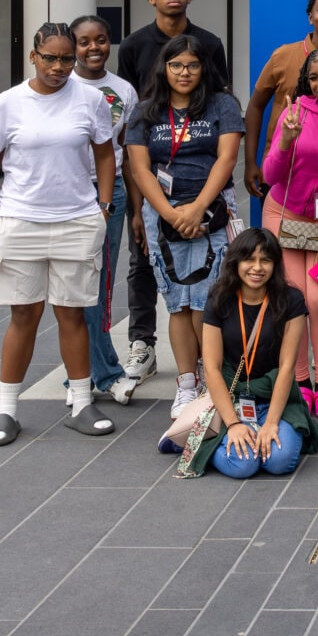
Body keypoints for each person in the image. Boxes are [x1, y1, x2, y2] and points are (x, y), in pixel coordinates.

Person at [0, 22, 118, 447]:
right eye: (50, 57)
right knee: (23, 315)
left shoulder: (91, 100)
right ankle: (6, 411)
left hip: (77, 220)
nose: (59, 66)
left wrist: (103, 207)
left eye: (67, 59)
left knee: (73, 314)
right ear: (33, 56)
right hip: (20, 221)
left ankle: (80, 403)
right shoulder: (7, 103)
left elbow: (106, 154)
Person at [116, 0, 232, 393]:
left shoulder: (210, 46)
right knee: (143, 264)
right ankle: (142, 345)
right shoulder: (133, 47)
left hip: (207, 200)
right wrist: (154, 208)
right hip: (156, 193)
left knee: (207, 290)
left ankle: (210, 374)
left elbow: (224, 140)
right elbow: (135, 141)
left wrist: (198, 207)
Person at [125, 34, 244, 414]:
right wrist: (171, 213)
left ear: (203, 68)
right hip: (164, 213)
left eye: (192, 65)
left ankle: (214, 380)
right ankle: (187, 384)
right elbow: (140, 169)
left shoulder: (223, 104)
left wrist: (196, 209)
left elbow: (226, 160)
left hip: (213, 208)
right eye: (176, 65)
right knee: (178, 304)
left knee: (209, 300)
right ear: (164, 68)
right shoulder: (146, 110)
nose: (184, 72)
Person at [259, 44, 318, 419]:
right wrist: (285, 139)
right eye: (313, 77)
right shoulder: (296, 109)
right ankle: (301, 382)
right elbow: (270, 175)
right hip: (284, 214)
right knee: (294, 298)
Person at [188, 228, 318, 478]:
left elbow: (287, 368)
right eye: (249, 259)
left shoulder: (291, 300)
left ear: (275, 264)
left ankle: (246, 437)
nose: (257, 268)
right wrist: (234, 424)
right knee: (244, 465)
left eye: (266, 260)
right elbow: (212, 368)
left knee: (279, 461)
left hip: (275, 399)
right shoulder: (219, 299)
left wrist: (271, 423)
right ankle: (205, 445)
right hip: (232, 399)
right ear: (236, 262)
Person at [70, 15, 142, 406]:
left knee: (99, 285)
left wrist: (134, 207)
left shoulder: (122, 90)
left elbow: (128, 153)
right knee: (72, 288)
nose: (93, 48)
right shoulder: (63, 87)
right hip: (67, 194)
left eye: (100, 40)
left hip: (108, 193)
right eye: (84, 42)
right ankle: (96, 373)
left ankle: (86, 375)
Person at [245, 0, 318, 208]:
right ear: (310, 17)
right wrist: (249, 162)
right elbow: (255, 107)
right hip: (280, 169)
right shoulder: (283, 55)